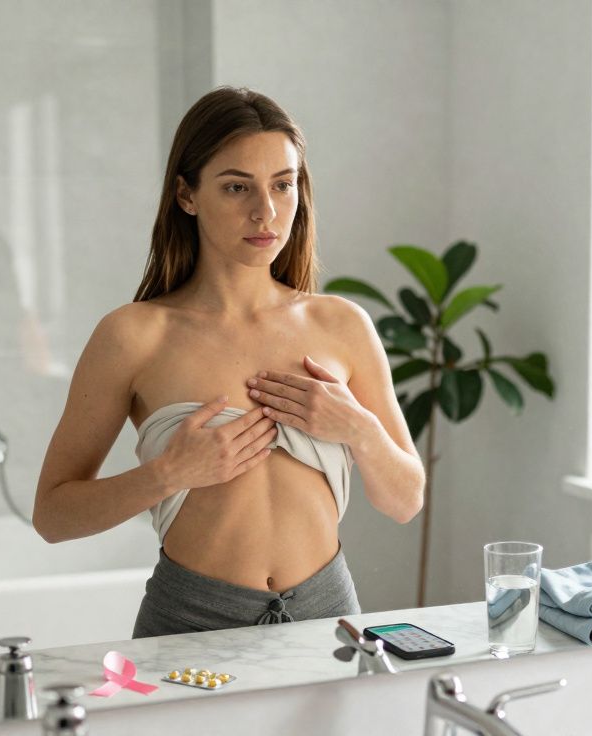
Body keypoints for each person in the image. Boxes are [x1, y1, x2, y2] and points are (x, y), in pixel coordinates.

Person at [32, 87, 425, 636]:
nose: (265, 211)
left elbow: (406, 499)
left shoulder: (341, 325)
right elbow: (52, 517)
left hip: (328, 611)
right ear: (186, 195)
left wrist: (358, 428)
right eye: (237, 186)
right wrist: (168, 473)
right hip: (190, 618)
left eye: (283, 185)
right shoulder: (133, 335)